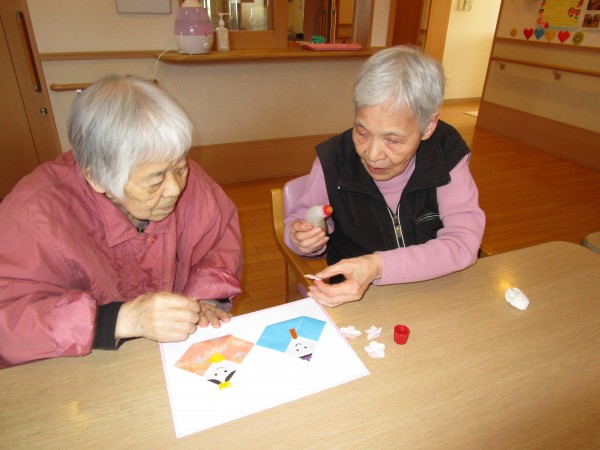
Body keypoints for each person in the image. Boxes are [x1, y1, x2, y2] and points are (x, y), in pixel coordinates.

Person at [0, 75, 243, 367]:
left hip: (166, 354)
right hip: (76, 365)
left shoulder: (189, 180)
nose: (175, 188)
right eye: (155, 181)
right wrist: (118, 319)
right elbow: (10, 322)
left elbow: (218, 244)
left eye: (180, 167)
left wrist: (204, 300)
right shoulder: (31, 217)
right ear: (97, 178)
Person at [284, 46, 485, 307]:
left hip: (436, 290)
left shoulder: (446, 152)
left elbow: (463, 242)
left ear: (428, 126)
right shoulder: (333, 159)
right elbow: (299, 222)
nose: (372, 154)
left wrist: (378, 265)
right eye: (362, 133)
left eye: (392, 140)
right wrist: (303, 240)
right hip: (357, 300)